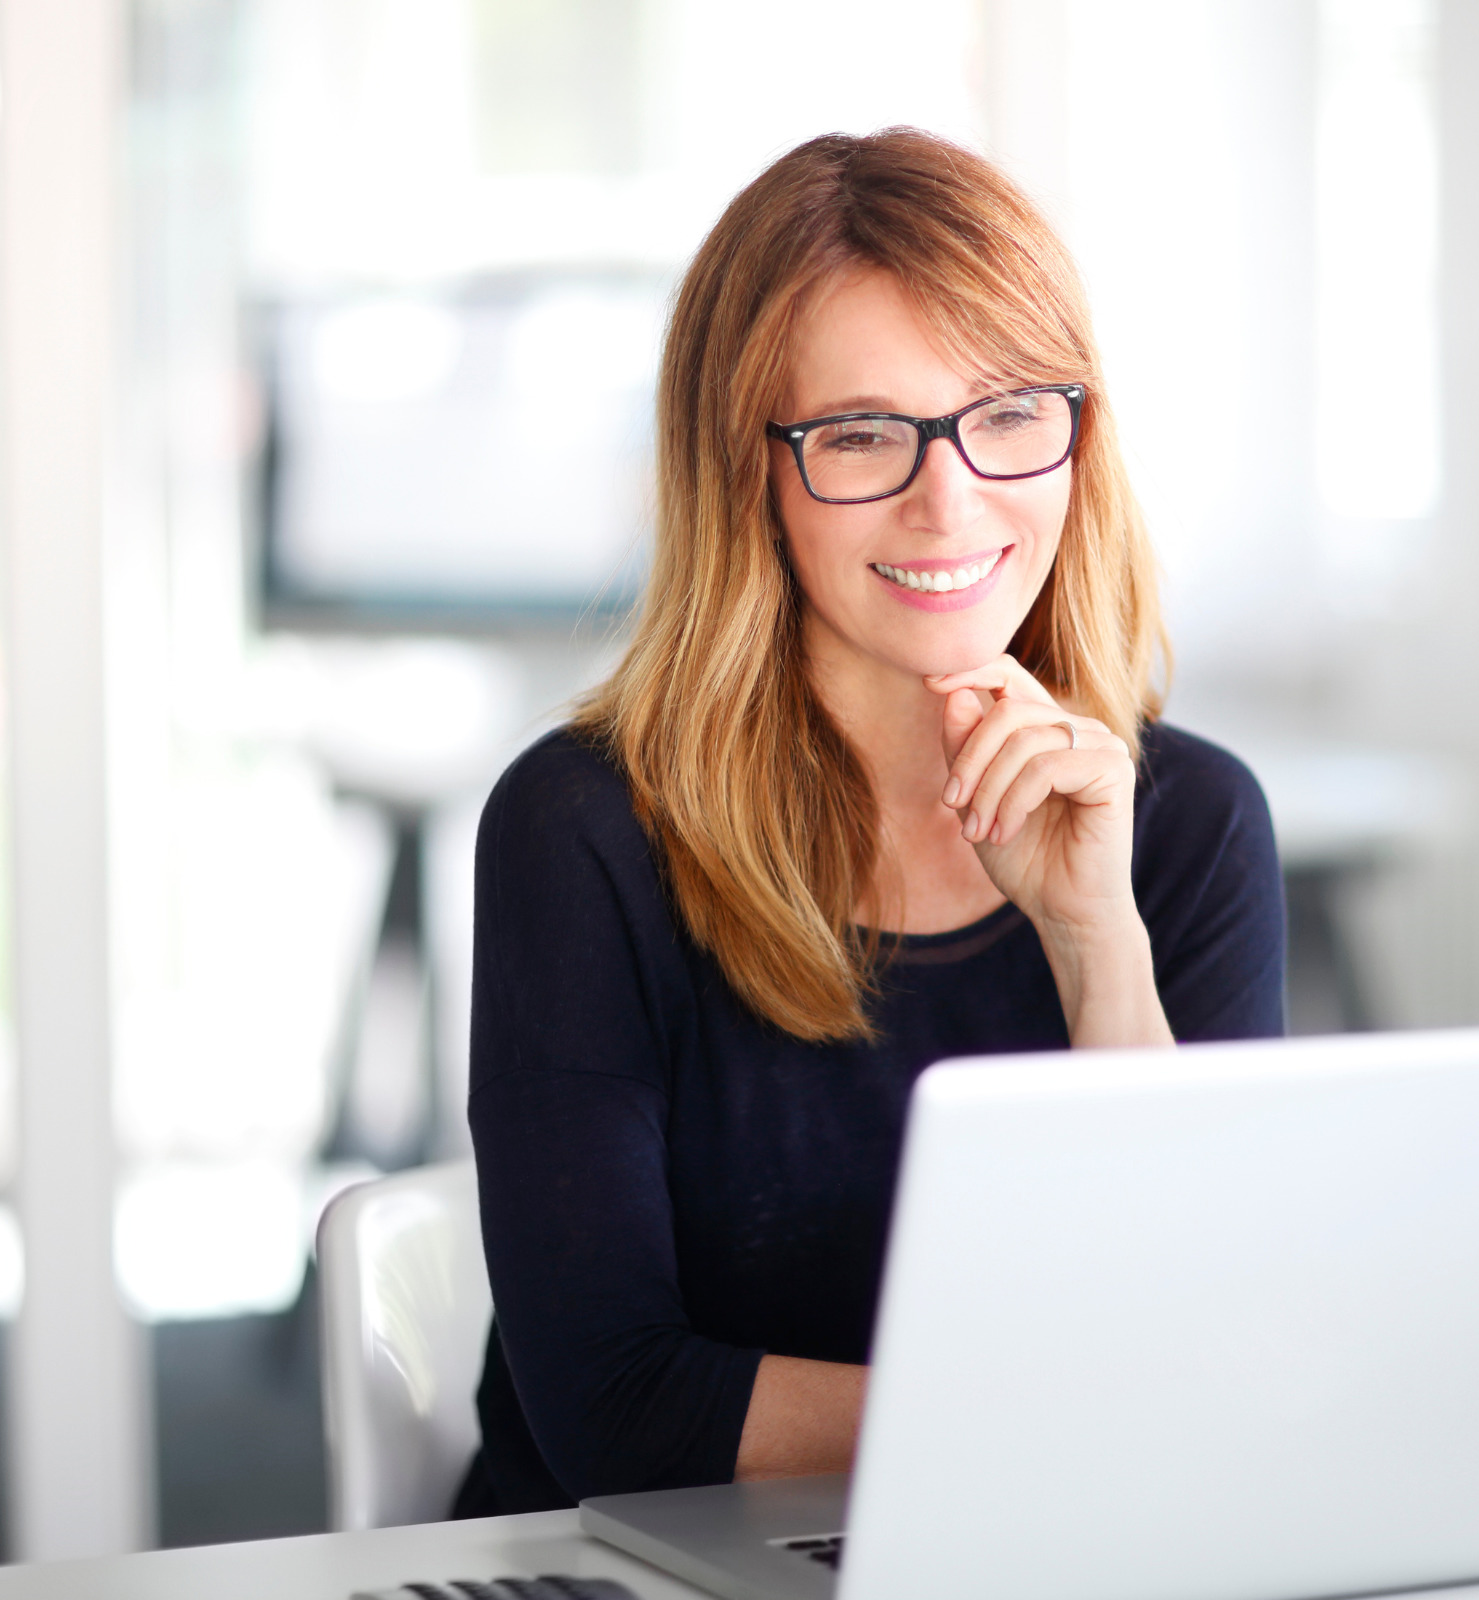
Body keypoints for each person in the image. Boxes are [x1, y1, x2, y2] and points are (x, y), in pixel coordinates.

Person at [453, 127, 1286, 1517]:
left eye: (1011, 412)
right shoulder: (583, 830)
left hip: (1023, 1549)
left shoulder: (1185, 822)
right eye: (858, 434)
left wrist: (1097, 944)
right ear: (747, 473)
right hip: (635, 1566)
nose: (948, 497)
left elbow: (1211, 1338)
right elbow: (618, 1407)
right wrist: (1055, 1416)